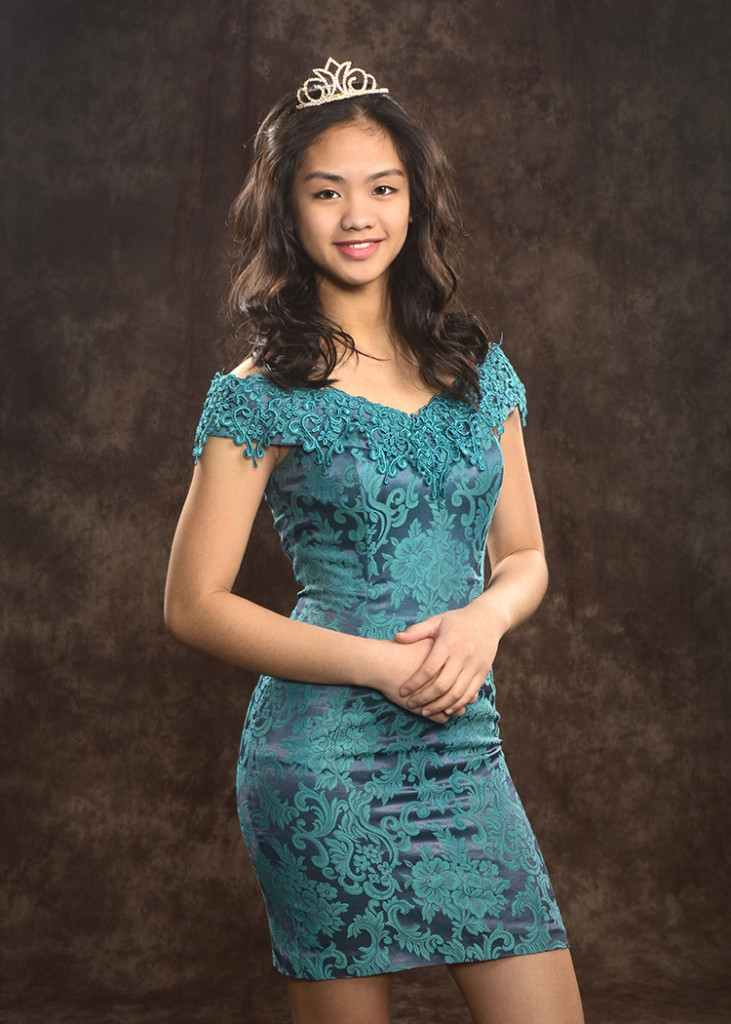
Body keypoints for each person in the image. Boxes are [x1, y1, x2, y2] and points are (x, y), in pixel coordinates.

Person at [165, 57, 585, 1024]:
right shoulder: (259, 390)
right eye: (326, 192)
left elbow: (524, 557)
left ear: (413, 202)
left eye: (382, 188)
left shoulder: (477, 369)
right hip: (321, 761)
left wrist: (483, 620)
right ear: (287, 210)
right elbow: (191, 605)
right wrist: (378, 668)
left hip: (461, 746)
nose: (358, 215)